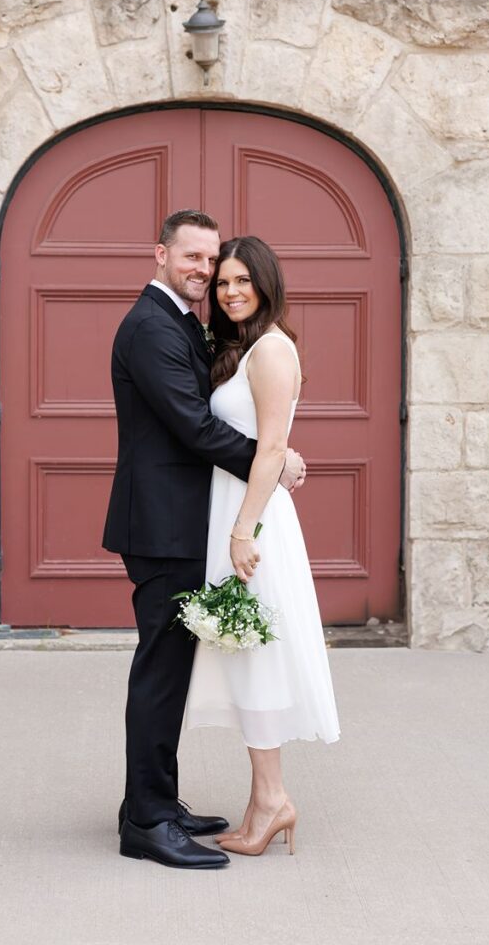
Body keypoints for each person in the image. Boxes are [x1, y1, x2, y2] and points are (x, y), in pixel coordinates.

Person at [103, 211, 306, 870]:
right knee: (161, 674)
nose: (204, 271)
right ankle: (147, 822)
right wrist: (270, 461)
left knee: (171, 673)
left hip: (180, 521)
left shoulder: (182, 323)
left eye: (210, 261)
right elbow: (193, 425)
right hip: (162, 526)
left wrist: (271, 456)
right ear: (160, 253)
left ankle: (155, 801)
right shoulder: (151, 327)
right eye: (192, 257)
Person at [185, 235, 341, 856]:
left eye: (242, 280)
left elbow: (271, 447)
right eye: (223, 282)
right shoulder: (245, 348)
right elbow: (262, 440)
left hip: (253, 522)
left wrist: (242, 529)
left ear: (266, 283)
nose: (230, 291)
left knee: (257, 654)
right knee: (246, 655)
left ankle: (273, 800)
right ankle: (263, 801)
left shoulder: (272, 349)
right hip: (238, 512)